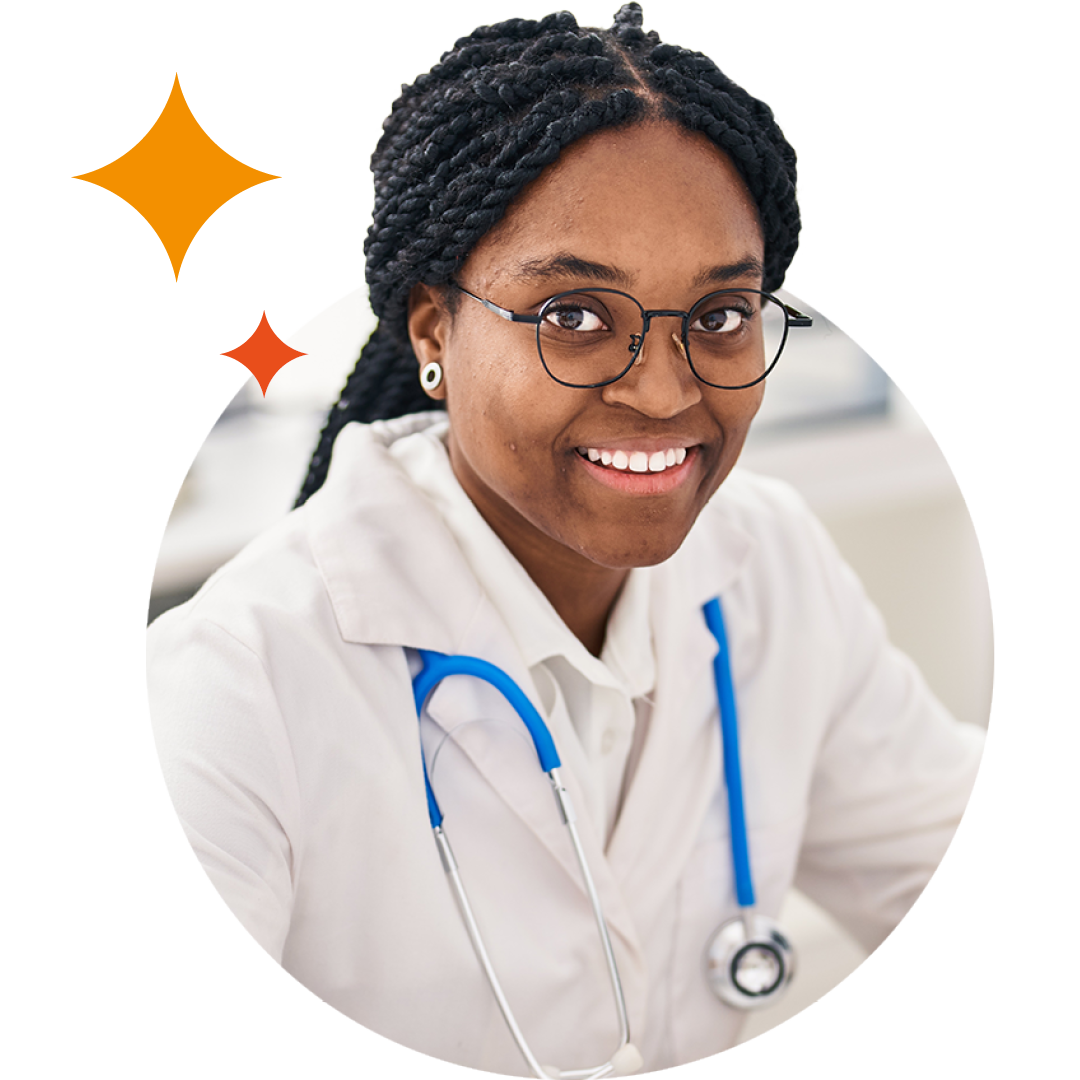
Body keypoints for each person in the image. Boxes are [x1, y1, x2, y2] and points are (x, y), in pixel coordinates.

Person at [146, 4, 985, 1075]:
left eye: (721, 314)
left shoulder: (769, 566)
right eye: (575, 315)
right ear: (432, 327)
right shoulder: (231, 687)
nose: (665, 390)